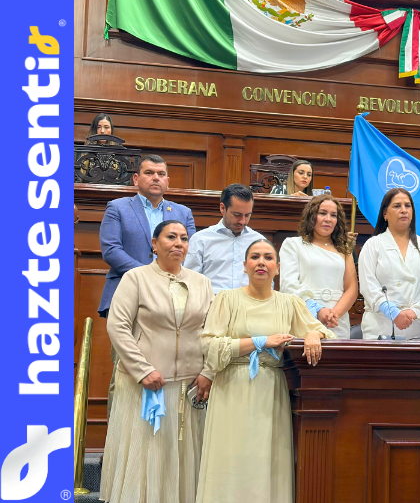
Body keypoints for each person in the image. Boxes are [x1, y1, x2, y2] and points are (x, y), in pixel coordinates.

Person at [196, 239, 336, 503]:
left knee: (265, 459)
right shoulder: (226, 298)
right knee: (230, 457)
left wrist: (313, 336)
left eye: (268, 257)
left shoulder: (290, 303)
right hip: (231, 387)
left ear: (278, 267)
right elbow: (209, 345)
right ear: (245, 265)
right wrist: (259, 341)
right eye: (255, 257)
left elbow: (321, 331)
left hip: (270, 388)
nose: (262, 262)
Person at [99, 221, 214, 503]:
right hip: (147, 384)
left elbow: (214, 330)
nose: (178, 243)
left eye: (184, 238)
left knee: (183, 457)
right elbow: (118, 326)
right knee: (146, 454)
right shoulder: (135, 278)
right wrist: (142, 370)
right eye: (171, 237)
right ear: (154, 243)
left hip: (188, 386)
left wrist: (208, 371)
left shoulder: (203, 282)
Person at [98, 154, 195, 415]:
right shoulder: (118, 207)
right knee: (126, 372)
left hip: (171, 303)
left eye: (161, 174)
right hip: (127, 299)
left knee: (164, 371)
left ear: (168, 180)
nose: (156, 178)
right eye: (150, 173)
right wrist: (148, 276)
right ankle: (116, 448)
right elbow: (111, 250)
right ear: (136, 179)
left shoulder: (182, 213)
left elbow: (188, 254)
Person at [358, 188, 420, 340]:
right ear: (385, 214)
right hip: (380, 325)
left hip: (417, 327)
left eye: (407, 206)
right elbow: (368, 285)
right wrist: (393, 312)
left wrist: (414, 312)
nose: (403, 210)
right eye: (397, 206)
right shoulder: (373, 245)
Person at [280, 195, 358, 339]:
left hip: (336, 322)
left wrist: (334, 314)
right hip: (304, 316)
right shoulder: (293, 245)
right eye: (322, 213)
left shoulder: (344, 249)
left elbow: (352, 288)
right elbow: (288, 285)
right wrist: (317, 310)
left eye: (333, 215)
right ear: (311, 216)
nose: (328, 219)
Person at [185, 183, 267, 294]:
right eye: (237, 214)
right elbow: (191, 282)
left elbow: (266, 282)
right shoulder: (201, 240)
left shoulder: (259, 242)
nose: (242, 221)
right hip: (212, 305)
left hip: (249, 305)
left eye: (247, 215)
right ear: (222, 208)